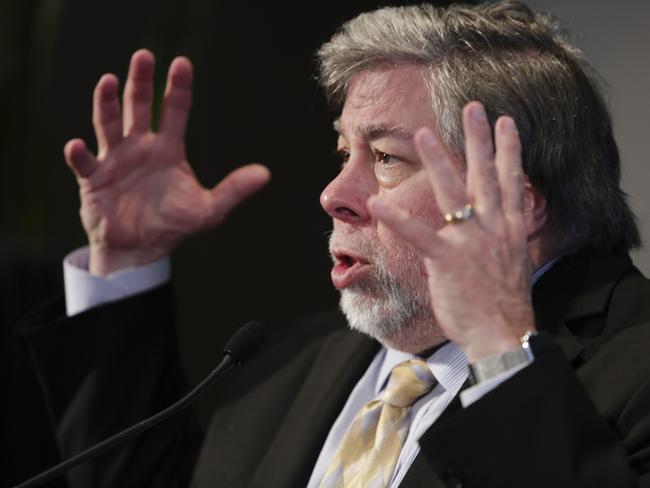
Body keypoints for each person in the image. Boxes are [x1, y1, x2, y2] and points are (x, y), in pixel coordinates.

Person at [16, 1, 650, 487]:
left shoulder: (634, 373)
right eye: (344, 152)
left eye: (385, 157)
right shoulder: (296, 361)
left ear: (517, 201)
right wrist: (126, 261)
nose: (333, 193)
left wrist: (499, 351)